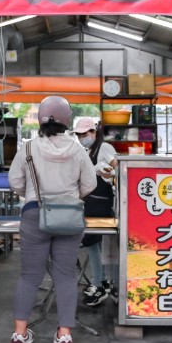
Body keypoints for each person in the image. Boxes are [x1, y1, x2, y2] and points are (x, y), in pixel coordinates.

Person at [7, 96, 96, 343]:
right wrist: (70, 198)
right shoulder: (78, 150)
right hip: (70, 217)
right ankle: (65, 335)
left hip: (35, 215)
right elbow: (90, 184)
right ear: (67, 120)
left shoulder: (28, 148)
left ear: (40, 119)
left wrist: (33, 195)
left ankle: (19, 334)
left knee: (29, 276)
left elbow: (15, 182)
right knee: (66, 276)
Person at [72, 116, 118, 307]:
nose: (83, 137)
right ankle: (103, 281)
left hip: (102, 202)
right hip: (91, 201)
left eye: (85, 133)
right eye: (79, 134)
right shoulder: (89, 150)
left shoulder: (105, 148)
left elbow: (119, 168)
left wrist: (109, 174)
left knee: (92, 242)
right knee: (95, 243)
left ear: (94, 132)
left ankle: (99, 284)